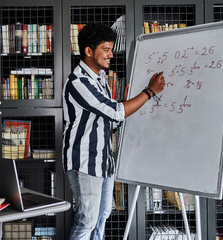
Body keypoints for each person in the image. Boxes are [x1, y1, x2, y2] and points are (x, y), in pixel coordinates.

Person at [62, 23, 165, 240]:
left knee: (102, 217)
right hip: (85, 163)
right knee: (87, 220)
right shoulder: (78, 82)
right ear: (89, 51)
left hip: (104, 161)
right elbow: (116, 112)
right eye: (106, 49)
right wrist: (149, 92)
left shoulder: (100, 79)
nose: (111, 54)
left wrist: (125, 105)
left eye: (111, 49)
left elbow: (110, 119)